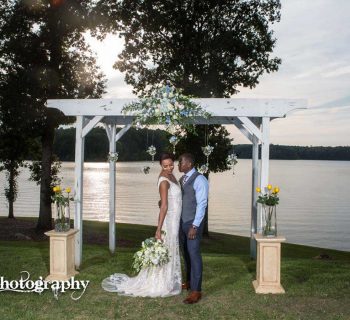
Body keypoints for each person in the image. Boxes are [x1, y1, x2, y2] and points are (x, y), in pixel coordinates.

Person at [101, 153, 182, 297]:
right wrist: (158, 229)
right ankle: (160, 283)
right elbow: (164, 206)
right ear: (160, 165)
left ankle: (168, 280)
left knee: (171, 248)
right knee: (168, 248)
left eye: (171, 164)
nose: (169, 168)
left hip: (175, 219)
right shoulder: (164, 181)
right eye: (165, 166)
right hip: (169, 222)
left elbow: (167, 200)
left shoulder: (172, 176)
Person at [178, 153, 209, 304]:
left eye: (180, 162)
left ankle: (196, 291)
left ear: (189, 164)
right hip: (182, 222)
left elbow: (202, 204)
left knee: (194, 255)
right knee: (186, 254)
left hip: (192, 224)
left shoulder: (200, 179)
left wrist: (195, 226)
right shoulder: (181, 179)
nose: (178, 165)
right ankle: (189, 282)